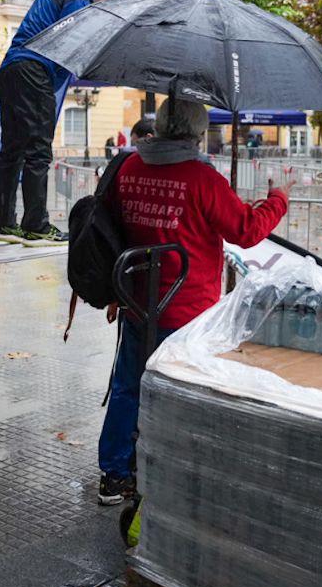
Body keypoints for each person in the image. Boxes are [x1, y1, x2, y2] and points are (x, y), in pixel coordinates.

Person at [95, 96, 292, 505]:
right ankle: (174, 465)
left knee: (128, 386)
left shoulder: (128, 167)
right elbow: (246, 230)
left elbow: (112, 229)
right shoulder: (203, 180)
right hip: (189, 307)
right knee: (186, 388)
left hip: (137, 300)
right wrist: (278, 200)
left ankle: (114, 475)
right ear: (197, 135)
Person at [0, 0, 122, 246]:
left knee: (12, 149)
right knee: (38, 150)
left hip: (12, 68)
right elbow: (72, 45)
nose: (103, 2)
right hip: (35, 69)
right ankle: (36, 226)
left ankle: (2, 223)